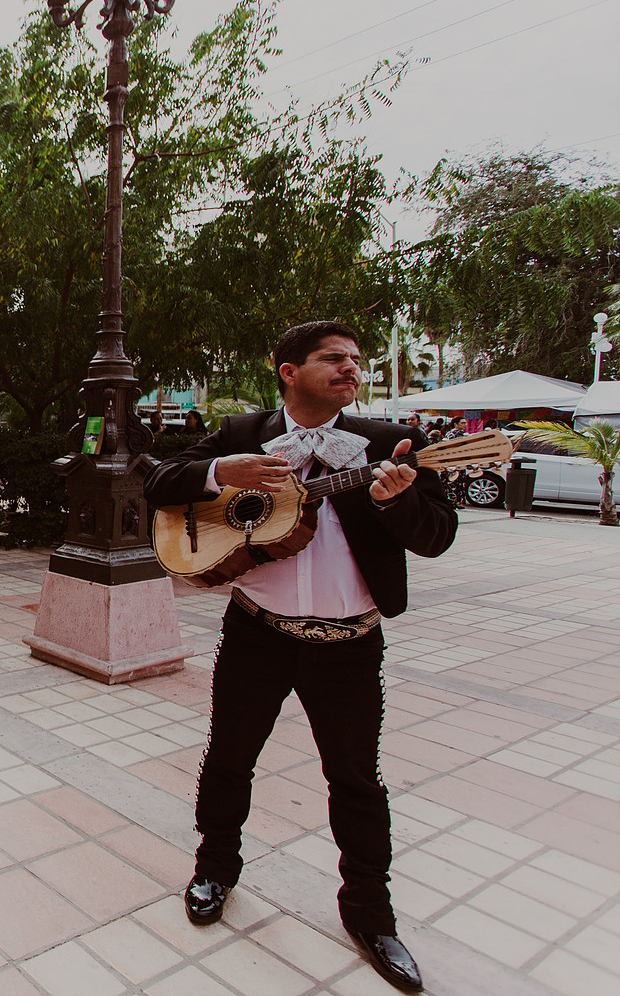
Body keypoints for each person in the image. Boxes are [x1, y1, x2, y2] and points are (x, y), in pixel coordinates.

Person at [144, 321, 456, 994]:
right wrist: (219, 472)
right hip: (258, 632)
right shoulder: (241, 434)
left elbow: (437, 537)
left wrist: (398, 506)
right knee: (229, 758)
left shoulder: (388, 445)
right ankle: (214, 869)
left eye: (355, 360)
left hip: (350, 645)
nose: (350, 367)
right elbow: (157, 483)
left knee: (357, 782)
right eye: (333, 358)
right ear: (289, 370)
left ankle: (371, 914)